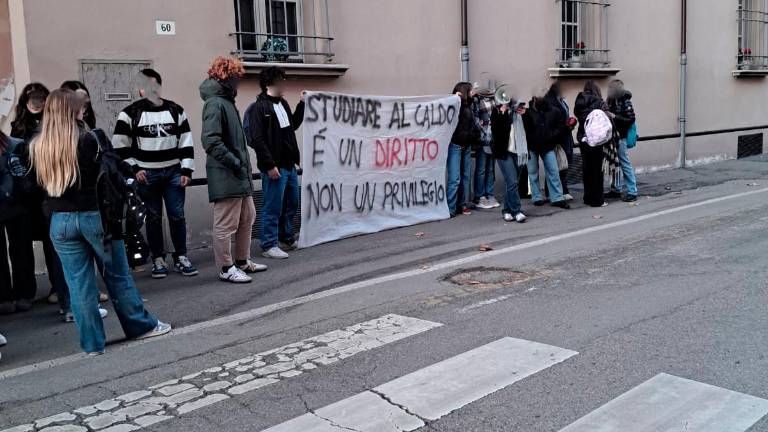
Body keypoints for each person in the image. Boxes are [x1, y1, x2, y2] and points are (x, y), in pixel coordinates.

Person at [30, 88, 170, 355]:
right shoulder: (90, 139)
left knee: (78, 284)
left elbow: (36, 187)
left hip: (60, 221)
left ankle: (92, 343)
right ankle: (140, 326)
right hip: (94, 216)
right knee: (117, 275)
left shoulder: (39, 146)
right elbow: (112, 173)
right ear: (74, 110)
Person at [112, 68, 198, 278]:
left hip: (174, 173)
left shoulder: (176, 110)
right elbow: (120, 146)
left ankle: (181, 257)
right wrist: (135, 168)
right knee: (153, 218)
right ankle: (158, 259)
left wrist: (186, 169)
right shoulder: (129, 113)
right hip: (147, 175)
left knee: (177, 216)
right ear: (140, 89)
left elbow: (186, 141)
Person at [200, 57, 268, 283]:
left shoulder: (226, 102)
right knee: (225, 225)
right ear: (225, 77)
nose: (239, 82)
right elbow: (210, 141)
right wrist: (235, 163)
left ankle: (241, 261)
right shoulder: (216, 103)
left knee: (248, 217)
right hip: (227, 173)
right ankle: (226, 267)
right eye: (236, 77)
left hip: (237, 174)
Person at [244, 67, 305, 259]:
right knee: (272, 206)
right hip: (274, 167)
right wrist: (269, 165)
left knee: (291, 203)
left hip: (289, 165)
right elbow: (256, 139)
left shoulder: (284, 104)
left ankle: (286, 238)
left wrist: (302, 105)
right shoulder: (257, 108)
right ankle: (269, 244)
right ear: (269, 83)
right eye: (281, 79)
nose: (284, 83)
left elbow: (292, 126)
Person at [0, 130, 36, 314]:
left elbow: (26, 176)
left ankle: (20, 294)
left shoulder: (15, 145)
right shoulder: (15, 144)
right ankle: (12, 295)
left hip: (17, 203)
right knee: (20, 249)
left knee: (20, 249)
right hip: (16, 202)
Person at [522, 94, 570, 209]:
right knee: (533, 173)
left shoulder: (554, 111)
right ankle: (537, 197)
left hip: (548, 145)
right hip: (531, 146)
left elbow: (560, 126)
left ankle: (557, 198)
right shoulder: (527, 112)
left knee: (553, 171)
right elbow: (523, 128)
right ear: (533, 98)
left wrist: (552, 136)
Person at [490, 101, 528, 223]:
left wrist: (526, 114)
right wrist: (503, 113)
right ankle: (517, 211)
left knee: (511, 184)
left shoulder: (520, 111)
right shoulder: (496, 112)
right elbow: (497, 131)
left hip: (519, 152)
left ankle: (506, 210)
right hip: (503, 152)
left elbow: (531, 127)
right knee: (512, 181)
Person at [446, 82, 480, 216]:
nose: (473, 91)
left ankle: (462, 204)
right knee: (455, 179)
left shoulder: (469, 105)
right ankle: (450, 208)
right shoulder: (456, 105)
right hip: (455, 145)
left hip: (466, 146)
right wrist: (454, 98)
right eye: (471, 90)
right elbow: (446, 110)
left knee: (465, 177)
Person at [574, 81, 610, 207]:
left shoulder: (579, 101)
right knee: (597, 170)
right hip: (596, 139)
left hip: (583, 138)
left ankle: (588, 197)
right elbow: (605, 120)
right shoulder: (598, 102)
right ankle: (598, 200)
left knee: (587, 169)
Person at [607, 79, 638, 202]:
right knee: (614, 163)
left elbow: (630, 119)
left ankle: (632, 191)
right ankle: (616, 189)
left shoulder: (626, 101)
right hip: (612, 137)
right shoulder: (610, 101)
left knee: (624, 164)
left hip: (621, 137)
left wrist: (615, 116)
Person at [544, 82, 576, 201]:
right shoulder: (552, 103)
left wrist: (570, 123)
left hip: (566, 136)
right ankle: (557, 191)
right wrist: (566, 126)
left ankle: (561, 189)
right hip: (559, 138)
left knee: (563, 163)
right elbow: (555, 121)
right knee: (558, 164)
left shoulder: (562, 101)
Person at [471, 90, 499, 210]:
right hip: (482, 139)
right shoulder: (477, 100)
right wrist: (483, 132)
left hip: (493, 139)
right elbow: (475, 119)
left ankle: (490, 194)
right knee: (481, 168)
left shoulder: (495, 98)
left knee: (491, 168)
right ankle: (480, 196)